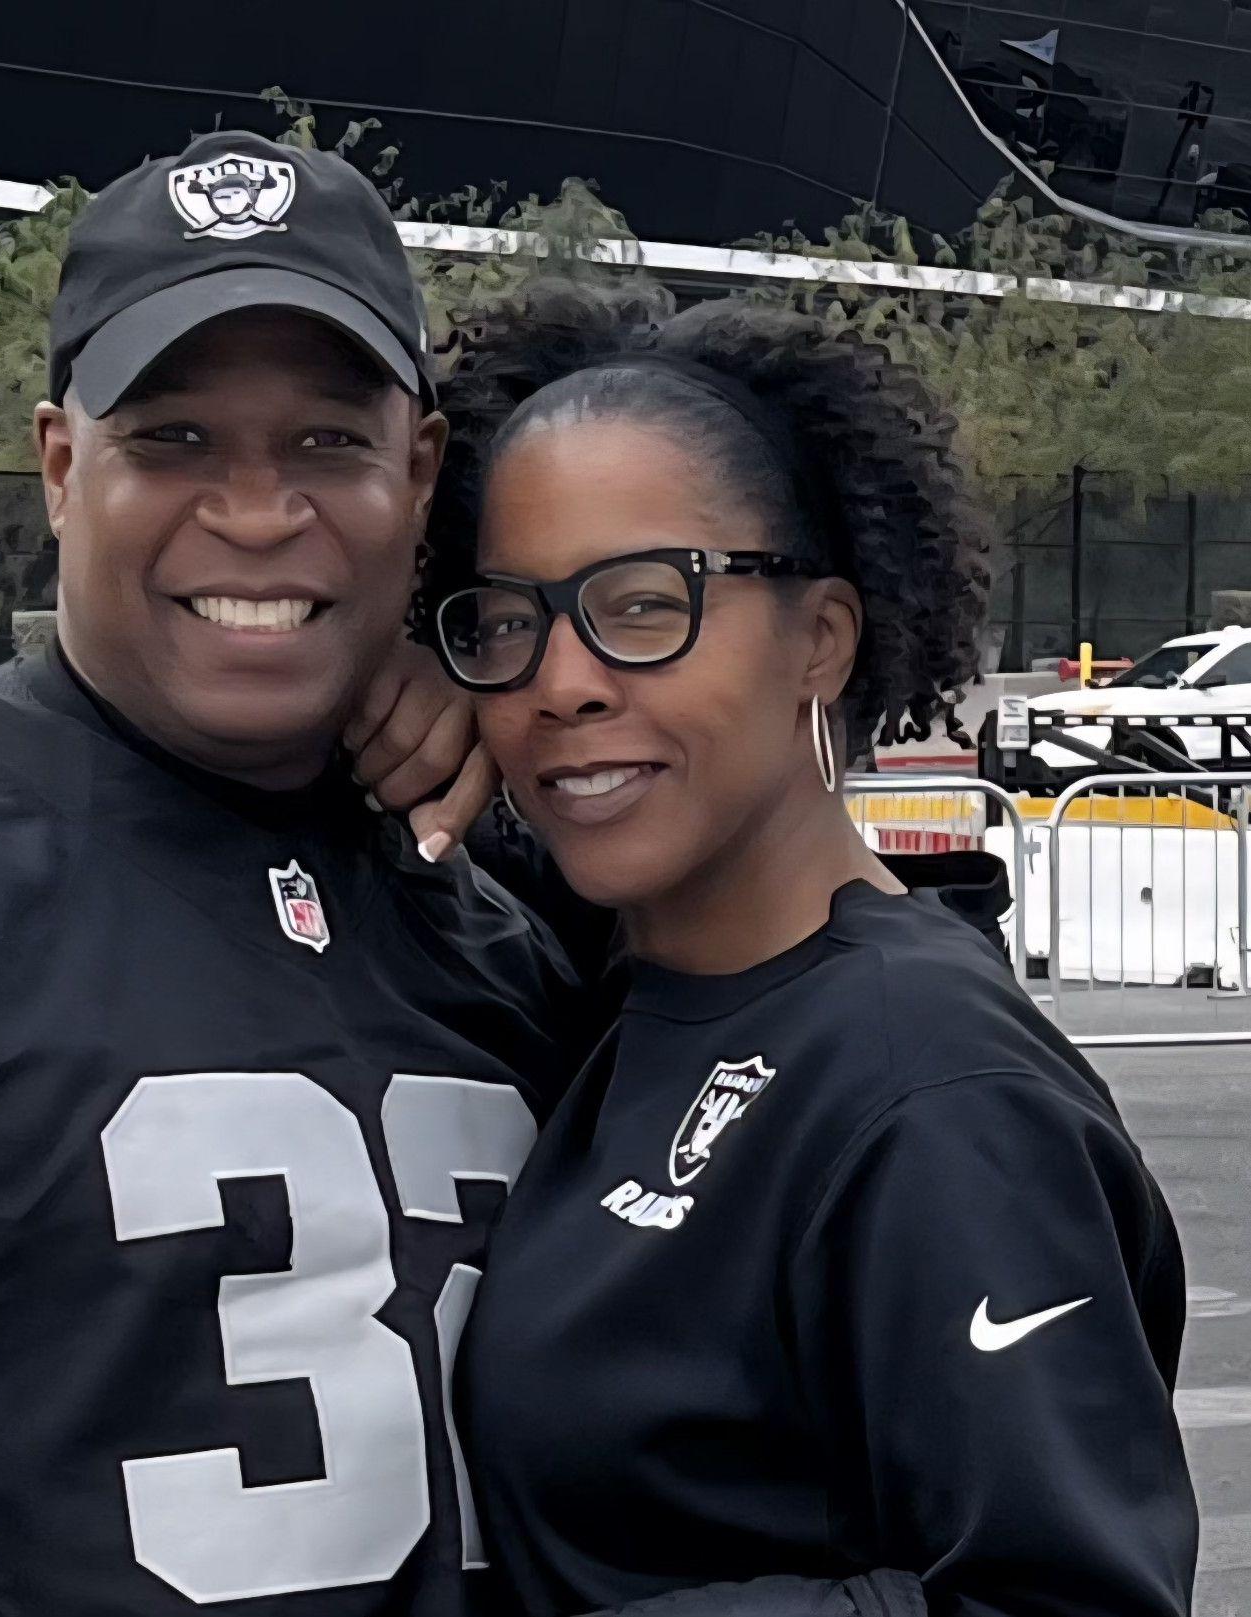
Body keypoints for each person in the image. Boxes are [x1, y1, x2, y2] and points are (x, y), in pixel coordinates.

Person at [0, 132, 585, 1616]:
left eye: (327, 444)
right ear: (63, 466)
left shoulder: (507, 902)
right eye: (175, 438)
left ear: (418, 475)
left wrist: (517, 744)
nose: (257, 512)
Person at [431, 288, 1199, 1616]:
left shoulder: (931, 1089)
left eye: (643, 603)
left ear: (822, 639)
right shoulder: (635, 983)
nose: (562, 682)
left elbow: (1067, 1599)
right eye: (507, 621)